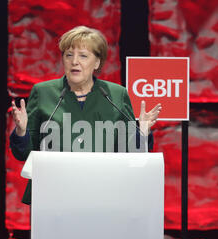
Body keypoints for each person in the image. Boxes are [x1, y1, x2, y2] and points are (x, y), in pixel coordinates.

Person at [10, 26, 162, 205]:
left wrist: (142, 133)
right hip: (52, 197)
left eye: (83, 56)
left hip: (106, 195)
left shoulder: (116, 95)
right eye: (68, 55)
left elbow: (131, 154)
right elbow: (24, 155)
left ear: (97, 62)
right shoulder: (43, 92)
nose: (75, 61)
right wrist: (21, 132)